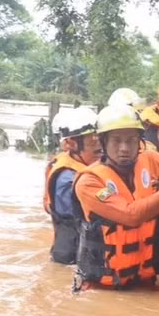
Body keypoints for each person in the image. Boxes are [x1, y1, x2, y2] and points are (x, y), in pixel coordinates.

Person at [72, 105, 159, 291]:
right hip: (102, 288)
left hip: (144, 282)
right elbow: (130, 215)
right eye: (116, 141)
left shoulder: (150, 160)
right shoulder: (89, 182)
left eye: (131, 140)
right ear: (103, 142)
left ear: (140, 141)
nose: (124, 148)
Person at [43, 107, 102, 264]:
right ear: (71, 143)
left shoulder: (85, 166)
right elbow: (91, 212)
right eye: (92, 140)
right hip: (71, 257)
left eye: (100, 137)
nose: (99, 145)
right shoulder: (67, 178)